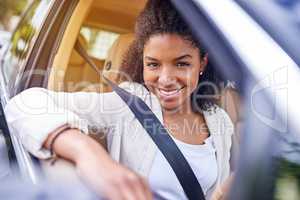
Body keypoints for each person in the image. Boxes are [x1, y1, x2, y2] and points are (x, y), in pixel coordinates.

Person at [4, 0, 234, 199]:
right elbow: (25, 103)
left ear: (202, 63)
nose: (165, 79)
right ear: (142, 61)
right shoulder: (130, 104)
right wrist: (88, 154)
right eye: (153, 64)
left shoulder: (220, 121)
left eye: (182, 64)